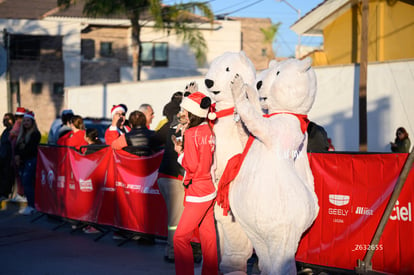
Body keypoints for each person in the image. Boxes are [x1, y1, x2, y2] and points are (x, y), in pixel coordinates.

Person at [172, 92, 218, 275]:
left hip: (198, 190)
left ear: (192, 112)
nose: (183, 113)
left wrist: (179, 153)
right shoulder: (209, 131)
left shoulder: (191, 133)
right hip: (210, 187)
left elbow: (191, 165)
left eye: (185, 110)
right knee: (208, 235)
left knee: (180, 238)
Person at [156, 91, 186, 262]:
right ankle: (173, 252)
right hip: (174, 178)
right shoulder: (182, 127)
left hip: (163, 175)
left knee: (174, 218)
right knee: (176, 220)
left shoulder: (168, 126)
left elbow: (152, 139)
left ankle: (172, 250)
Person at [14, 111, 41, 215]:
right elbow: (17, 146)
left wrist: (20, 155)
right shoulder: (22, 134)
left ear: (32, 122)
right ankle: (31, 204)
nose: (25, 123)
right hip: (22, 161)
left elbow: (31, 149)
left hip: (30, 160)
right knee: (25, 183)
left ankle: (32, 206)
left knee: (27, 182)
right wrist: (17, 156)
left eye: (28, 121)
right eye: (24, 121)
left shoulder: (35, 134)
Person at [9, 107, 26, 202]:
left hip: (19, 153)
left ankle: (22, 194)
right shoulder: (19, 124)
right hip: (14, 152)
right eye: (17, 117)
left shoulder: (21, 125)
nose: (18, 119)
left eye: (20, 117)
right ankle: (20, 193)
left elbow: (12, 135)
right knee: (18, 174)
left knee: (20, 174)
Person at [0, 113, 15, 200]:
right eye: (4, 120)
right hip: (2, 157)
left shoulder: (12, 131)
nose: (5, 121)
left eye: (7, 119)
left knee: (7, 177)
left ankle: (5, 193)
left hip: (8, 158)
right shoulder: (5, 131)